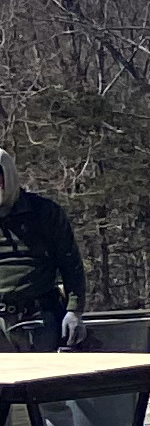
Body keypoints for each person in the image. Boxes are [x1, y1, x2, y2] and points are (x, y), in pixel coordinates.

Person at [0, 149, 84, 353]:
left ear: (7, 176)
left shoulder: (44, 213)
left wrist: (74, 310)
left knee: (43, 372)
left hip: (38, 318)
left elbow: (70, 263)